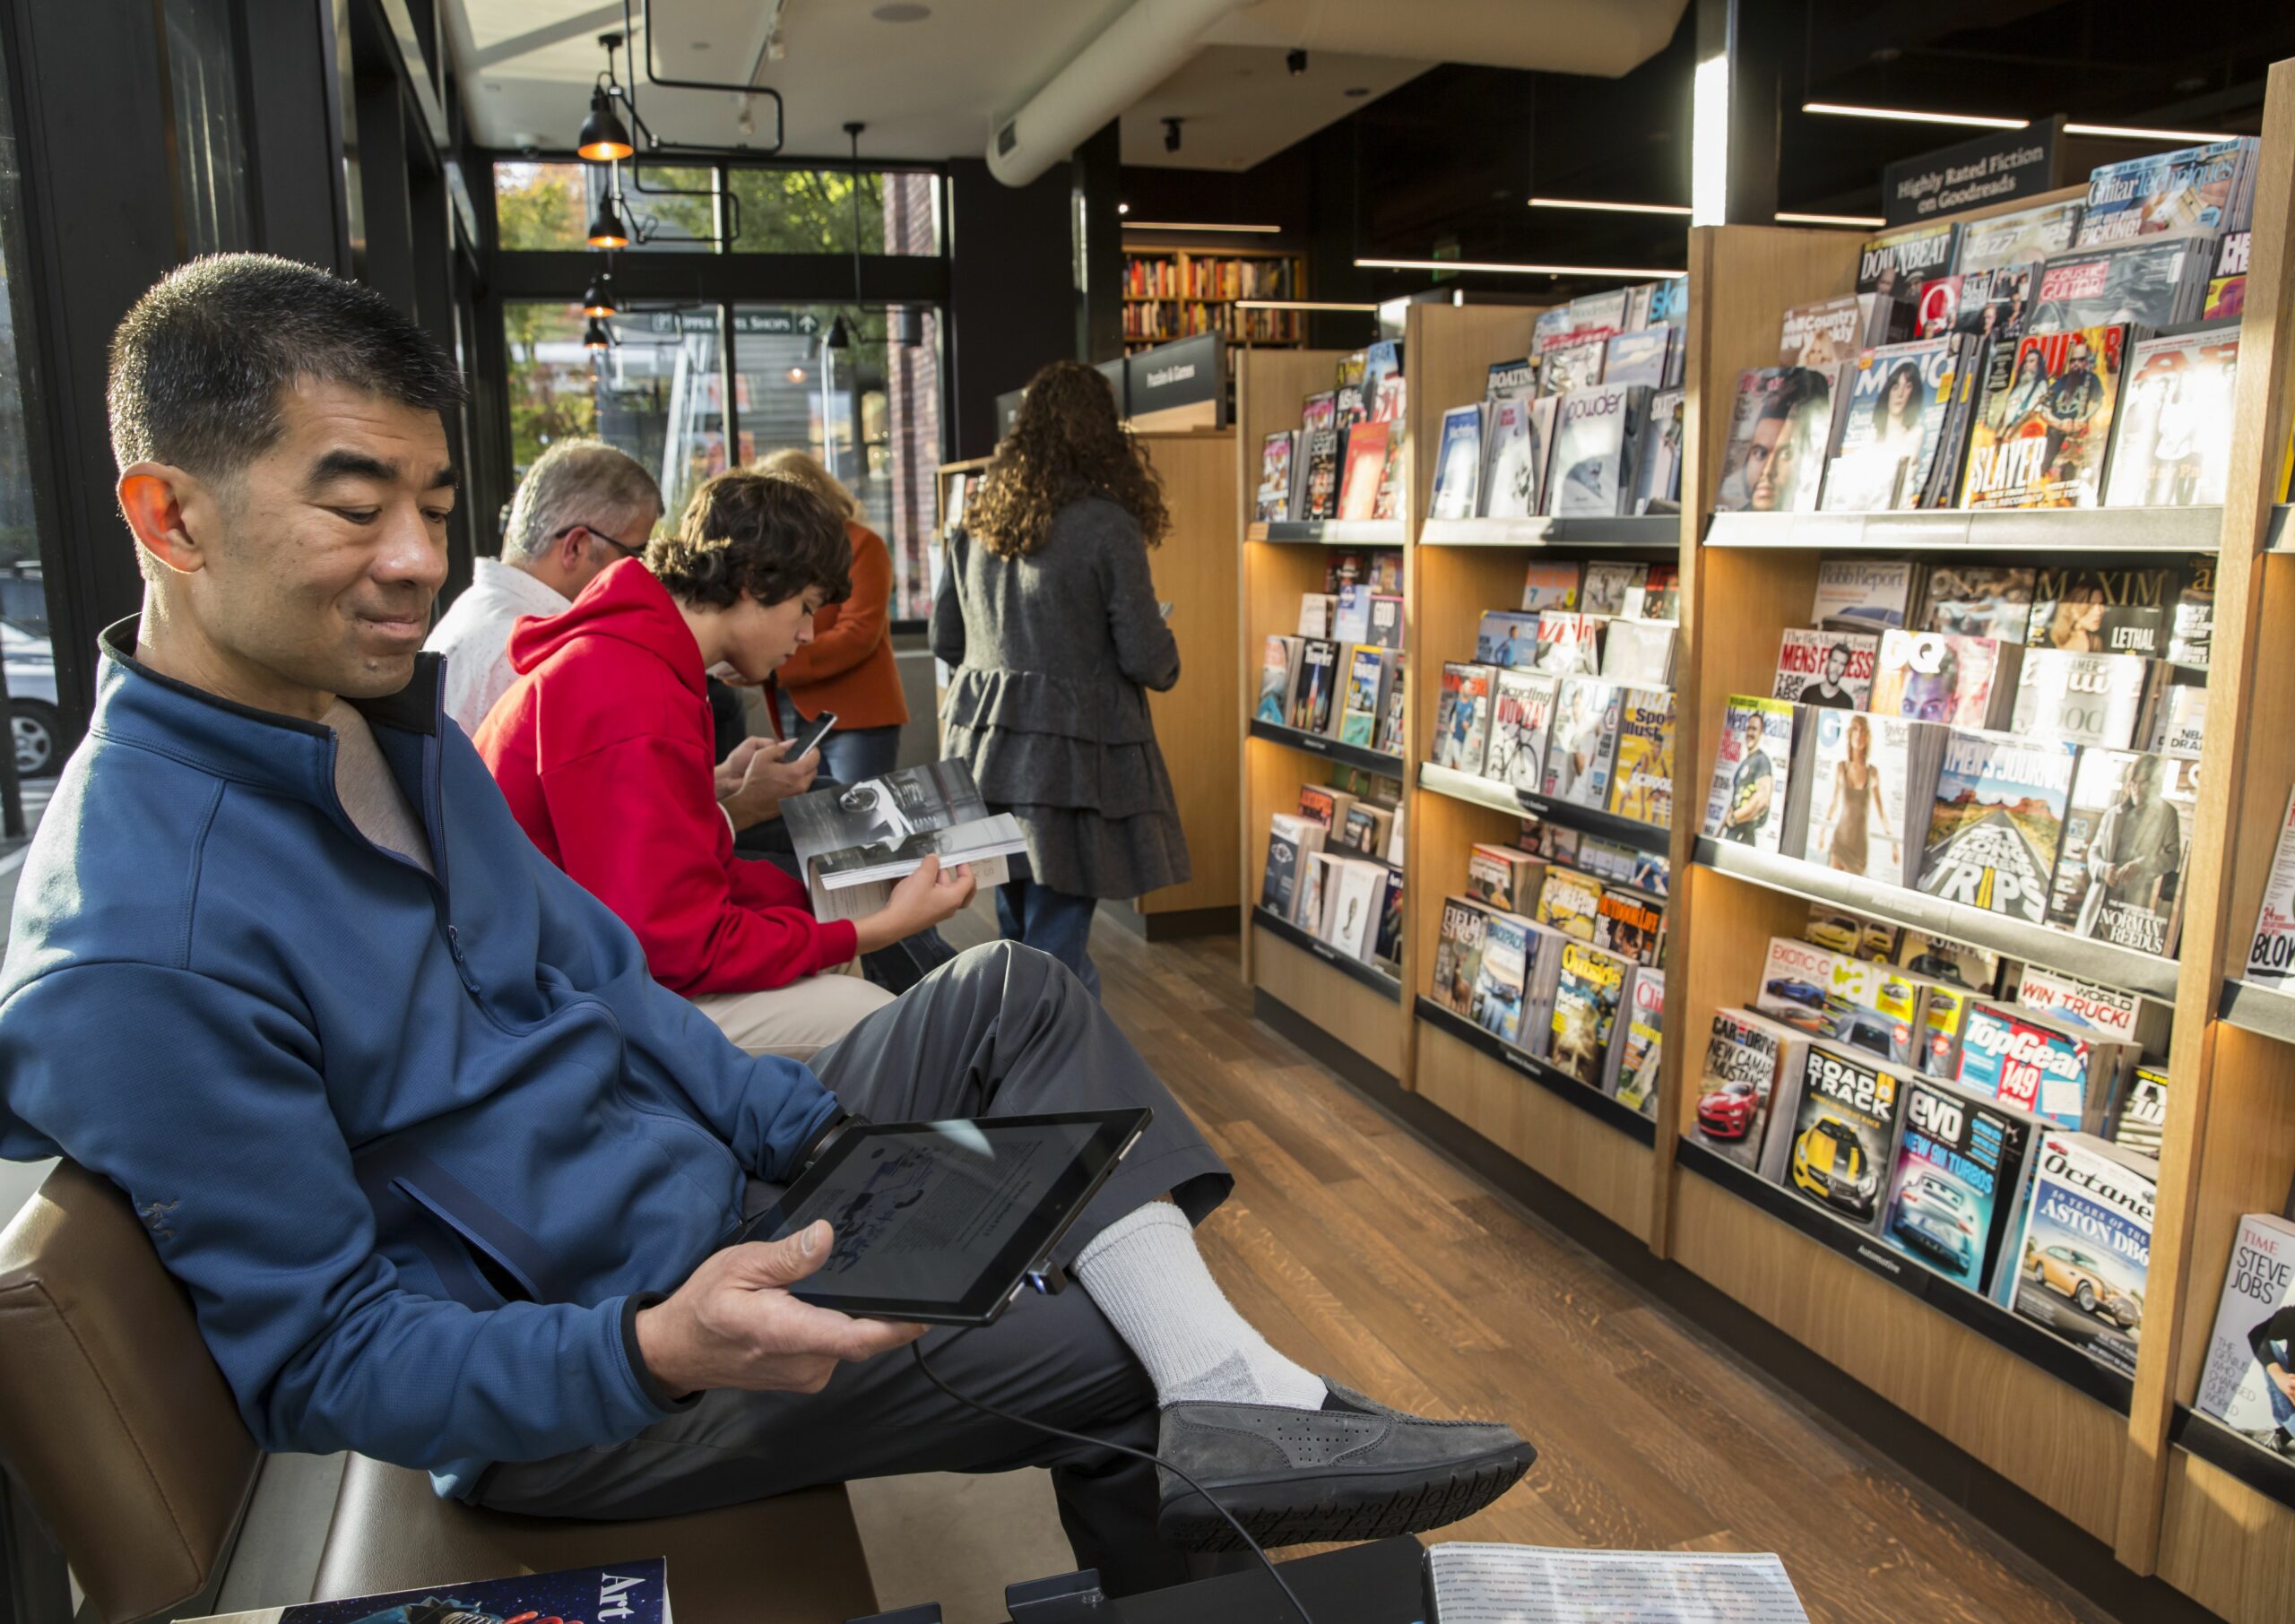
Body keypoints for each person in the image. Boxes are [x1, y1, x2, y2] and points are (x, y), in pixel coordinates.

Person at [0, 255, 1530, 1595]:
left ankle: (1232, 1402)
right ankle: (1224, 1410)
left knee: (1015, 994)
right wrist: (655, 1344)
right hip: (599, 1367)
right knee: (1094, 1336)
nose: (415, 556)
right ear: (170, 516)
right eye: (355, 504)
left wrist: (811, 1137)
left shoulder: (386, 727)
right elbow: (327, 1359)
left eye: (434, 504)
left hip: (716, 1193)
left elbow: (608, 974)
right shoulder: (144, 935)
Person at [474, 471, 966, 1060]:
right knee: (881, 1022)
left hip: (571, 966)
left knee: (846, 969)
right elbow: (677, 945)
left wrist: (844, 902)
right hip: (557, 1002)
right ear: (755, 582)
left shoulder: (637, 662)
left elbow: (697, 879)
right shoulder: (630, 687)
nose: (808, 634)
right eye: (805, 608)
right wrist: (876, 925)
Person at [933, 360, 1190, 997]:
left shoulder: (975, 523)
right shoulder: (1107, 525)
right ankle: (1060, 1082)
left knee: (1016, 932)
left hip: (987, 752)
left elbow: (945, 639)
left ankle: (1010, 1069)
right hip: (1074, 764)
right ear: (1103, 434)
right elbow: (1145, 657)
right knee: (1059, 953)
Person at [428, 437, 810, 838]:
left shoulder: (483, 613)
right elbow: (587, 834)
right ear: (577, 546)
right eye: (639, 551)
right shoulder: (534, 648)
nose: (651, 571)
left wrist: (712, 785)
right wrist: (740, 809)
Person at [753, 448, 911, 785]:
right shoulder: (779, 550)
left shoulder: (863, 544)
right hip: (791, 709)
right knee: (806, 830)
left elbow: (858, 633)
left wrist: (777, 662)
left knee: (861, 828)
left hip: (857, 716)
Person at [1822, 713, 1895, 880]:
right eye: (1855, 729)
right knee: (1829, 895)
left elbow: (1882, 811)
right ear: (1849, 733)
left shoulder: (1873, 773)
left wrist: (1894, 844)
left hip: (1859, 847)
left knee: (1847, 899)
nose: (1858, 735)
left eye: (1862, 731)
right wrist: (1822, 832)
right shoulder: (1841, 768)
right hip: (1839, 841)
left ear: (1867, 736)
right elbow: (1833, 803)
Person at [1722, 710, 1774, 845]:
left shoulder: (1762, 760)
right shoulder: (1745, 762)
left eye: (1755, 729)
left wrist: (1735, 818)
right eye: (1749, 728)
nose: (1750, 733)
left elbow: (1762, 801)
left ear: (1761, 733)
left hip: (1744, 834)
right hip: (1732, 831)